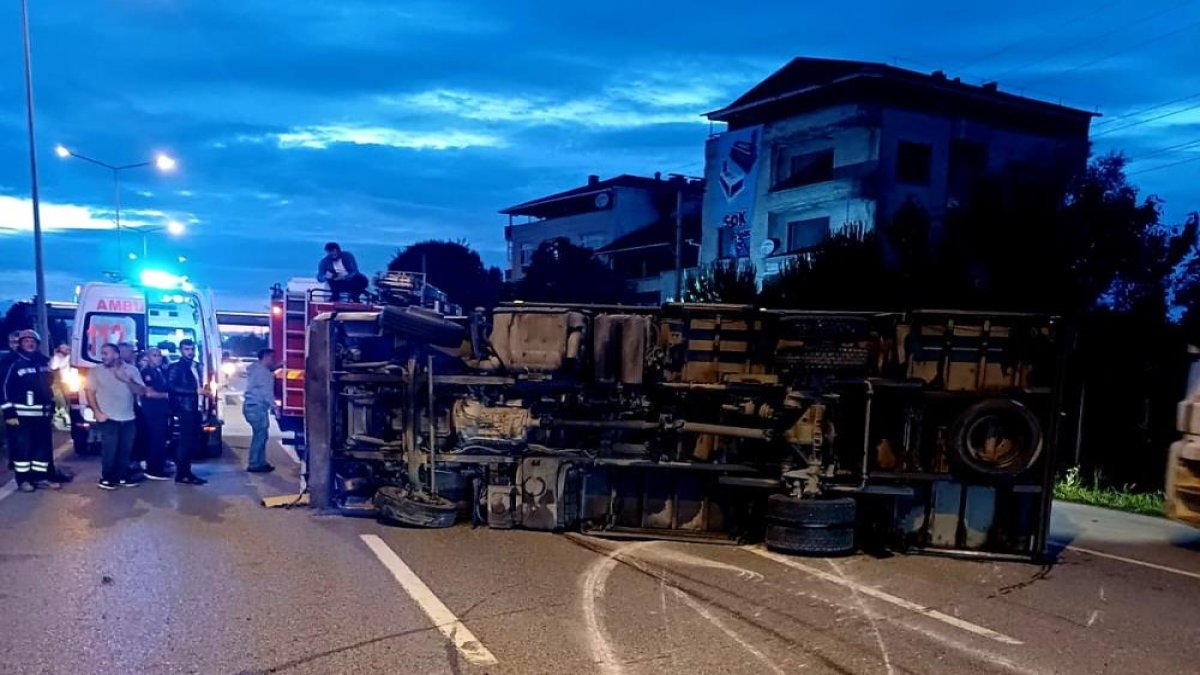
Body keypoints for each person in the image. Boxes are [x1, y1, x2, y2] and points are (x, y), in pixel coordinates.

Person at [1, 330, 59, 492]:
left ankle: (40, 478)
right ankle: (24, 480)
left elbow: (51, 384)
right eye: (26, 341)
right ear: (20, 343)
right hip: (20, 415)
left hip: (42, 414)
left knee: (42, 448)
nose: (30, 344)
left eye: (32, 341)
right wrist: (9, 412)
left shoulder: (43, 362)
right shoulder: (12, 362)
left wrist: (52, 403)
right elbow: (3, 388)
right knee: (23, 449)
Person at [85, 343, 147, 490]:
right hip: (108, 416)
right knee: (110, 448)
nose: (103, 356)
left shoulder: (131, 370)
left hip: (128, 417)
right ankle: (107, 478)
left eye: (106, 353)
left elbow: (141, 391)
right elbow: (90, 393)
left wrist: (126, 379)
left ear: (116, 355)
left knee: (125, 449)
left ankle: (122, 476)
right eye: (102, 353)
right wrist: (97, 412)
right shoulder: (95, 371)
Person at [167, 339, 207, 485]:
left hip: (195, 408)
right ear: (180, 351)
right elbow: (171, 387)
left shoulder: (196, 366)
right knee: (185, 442)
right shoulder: (176, 367)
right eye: (186, 349)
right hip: (185, 408)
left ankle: (186, 472)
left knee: (191, 442)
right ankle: (182, 474)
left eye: (191, 349)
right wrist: (194, 392)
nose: (190, 352)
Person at [139, 348, 173, 481]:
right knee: (155, 440)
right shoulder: (146, 372)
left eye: (159, 355)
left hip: (162, 410)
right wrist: (169, 396)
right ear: (148, 357)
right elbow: (149, 393)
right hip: (152, 411)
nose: (158, 358)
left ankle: (160, 464)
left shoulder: (160, 371)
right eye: (154, 355)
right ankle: (153, 469)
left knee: (162, 439)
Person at [243, 348, 278, 473]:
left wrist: (277, 367)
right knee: (260, 436)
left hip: (251, 406)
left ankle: (260, 462)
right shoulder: (265, 374)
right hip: (257, 407)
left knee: (261, 435)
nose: (273, 361)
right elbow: (267, 393)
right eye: (271, 358)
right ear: (266, 357)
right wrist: (275, 408)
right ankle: (254, 464)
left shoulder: (255, 368)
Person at [48, 342, 72, 430]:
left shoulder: (70, 356)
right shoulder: (58, 357)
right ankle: (65, 421)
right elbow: (53, 367)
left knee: (71, 402)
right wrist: (61, 357)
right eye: (64, 349)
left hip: (73, 381)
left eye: (67, 349)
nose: (67, 350)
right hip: (64, 382)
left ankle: (69, 419)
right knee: (65, 402)